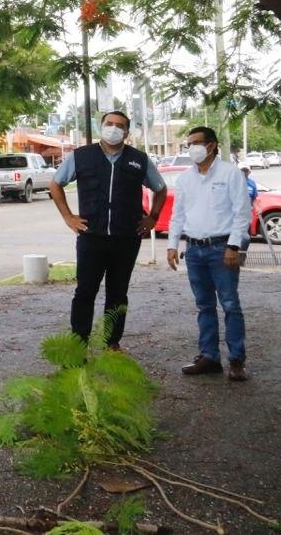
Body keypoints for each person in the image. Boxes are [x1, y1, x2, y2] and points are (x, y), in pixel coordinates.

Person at [49, 110, 167, 350]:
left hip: (126, 238)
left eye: (120, 125)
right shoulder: (82, 156)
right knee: (85, 292)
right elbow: (55, 184)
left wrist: (153, 217)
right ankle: (78, 344)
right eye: (109, 124)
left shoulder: (138, 159)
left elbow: (161, 188)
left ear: (126, 131)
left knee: (118, 293)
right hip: (92, 237)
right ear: (101, 125)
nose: (114, 128)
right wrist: (68, 217)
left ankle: (111, 343)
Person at [166, 126, 253, 381]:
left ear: (212, 145)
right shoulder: (185, 179)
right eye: (189, 143)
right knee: (204, 306)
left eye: (196, 143)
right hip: (194, 250)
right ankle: (209, 357)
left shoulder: (229, 174)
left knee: (230, 305)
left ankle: (236, 361)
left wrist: (233, 246)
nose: (192, 148)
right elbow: (178, 215)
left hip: (222, 249)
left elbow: (242, 212)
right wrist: (172, 245)